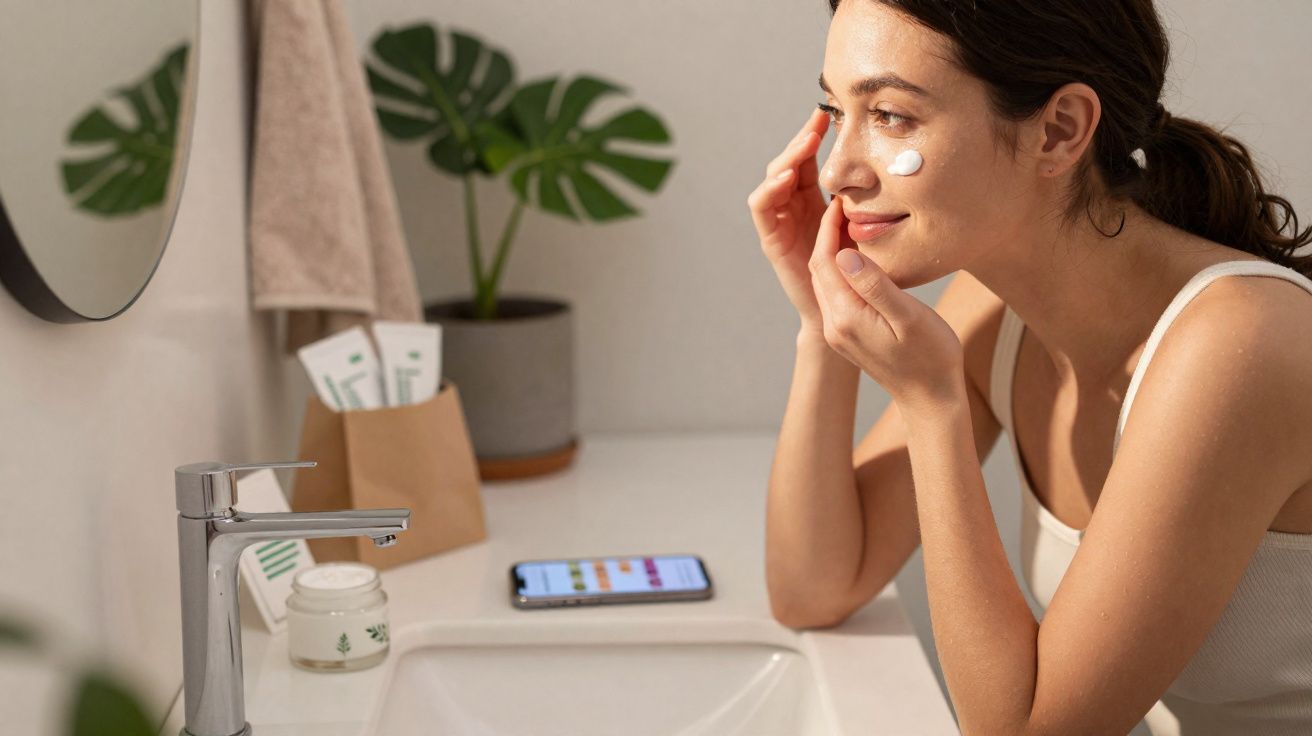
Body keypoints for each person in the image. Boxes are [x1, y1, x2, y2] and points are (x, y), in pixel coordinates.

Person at [747, 1, 1312, 734]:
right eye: (835, 109)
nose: (836, 173)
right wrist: (821, 327)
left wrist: (934, 407)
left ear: (1060, 130)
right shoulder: (994, 306)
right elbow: (815, 587)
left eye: (890, 115)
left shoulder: (1241, 345)